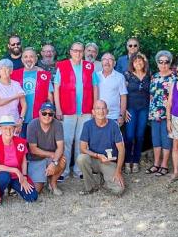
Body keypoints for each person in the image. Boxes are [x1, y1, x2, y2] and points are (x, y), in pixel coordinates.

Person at [54, 42, 99, 180]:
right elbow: (56, 88)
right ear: (70, 52)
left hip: (85, 110)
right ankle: (64, 171)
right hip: (67, 110)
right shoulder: (62, 66)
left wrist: (95, 107)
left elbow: (95, 87)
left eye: (81, 51)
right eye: (75, 51)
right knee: (67, 140)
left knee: (81, 141)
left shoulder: (89, 66)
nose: (78, 53)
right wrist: (58, 109)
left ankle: (79, 171)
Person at [0, 115, 37, 206]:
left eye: (11, 128)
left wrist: (24, 176)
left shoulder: (20, 142)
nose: (8, 131)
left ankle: (11, 187)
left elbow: (24, 161)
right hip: (0, 175)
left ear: (14, 129)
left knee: (32, 197)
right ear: (0, 129)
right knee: (4, 176)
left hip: (16, 176)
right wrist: (16, 170)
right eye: (5, 128)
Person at [77, 100, 125, 195]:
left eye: (103, 108)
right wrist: (97, 155)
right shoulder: (87, 125)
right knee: (81, 158)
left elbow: (121, 150)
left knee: (119, 190)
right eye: (98, 108)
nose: (101, 111)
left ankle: (103, 181)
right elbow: (82, 148)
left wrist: (118, 171)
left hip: (108, 161)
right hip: (94, 159)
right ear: (93, 112)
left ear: (107, 111)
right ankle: (90, 187)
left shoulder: (114, 125)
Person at [11, 47, 53, 138]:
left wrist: (49, 114)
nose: (28, 59)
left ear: (36, 59)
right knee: (21, 147)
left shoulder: (43, 75)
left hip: (38, 118)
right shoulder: (14, 74)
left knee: (37, 147)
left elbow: (50, 97)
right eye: (25, 57)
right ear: (22, 60)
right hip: (19, 118)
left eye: (31, 56)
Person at [147, 50, 176, 177]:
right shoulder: (154, 76)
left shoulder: (174, 78)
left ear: (170, 63)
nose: (163, 64)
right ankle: (156, 163)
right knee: (156, 139)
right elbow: (151, 95)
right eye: (161, 62)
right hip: (154, 113)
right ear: (157, 63)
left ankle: (164, 165)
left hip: (167, 114)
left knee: (166, 139)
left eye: (166, 62)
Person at [27, 102, 66, 195]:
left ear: (53, 115)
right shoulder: (32, 125)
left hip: (51, 159)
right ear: (39, 113)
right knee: (36, 191)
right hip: (36, 159)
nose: (47, 116)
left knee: (62, 160)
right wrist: (52, 155)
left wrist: (54, 162)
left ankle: (52, 183)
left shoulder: (58, 125)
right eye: (44, 113)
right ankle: (43, 177)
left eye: (50, 114)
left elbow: (60, 147)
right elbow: (33, 149)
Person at [124, 53, 150, 174]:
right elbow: (122, 94)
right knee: (129, 136)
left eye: (140, 61)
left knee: (139, 136)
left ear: (144, 62)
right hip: (131, 109)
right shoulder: (127, 76)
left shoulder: (149, 76)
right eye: (135, 61)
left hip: (144, 109)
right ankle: (127, 160)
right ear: (132, 63)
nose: (138, 63)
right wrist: (123, 110)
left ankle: (135, 161)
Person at [0, 59, 26, 139]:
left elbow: (24, 105)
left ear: (11, 71)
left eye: (7, 68)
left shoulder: (16, 84)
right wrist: (15, 96)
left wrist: (20, 121)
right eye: (2, 69)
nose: (4, 71)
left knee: (12, 149)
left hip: (13, 124)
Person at [96, 53, 127, 124]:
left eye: (110, 59)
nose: (107, 62)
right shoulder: (96, 76)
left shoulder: (120, 77)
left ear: (114, 63)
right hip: (98, 116)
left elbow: (123, 97)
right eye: (104, 59)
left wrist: (121, 115)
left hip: (114, 117)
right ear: (101, 62)